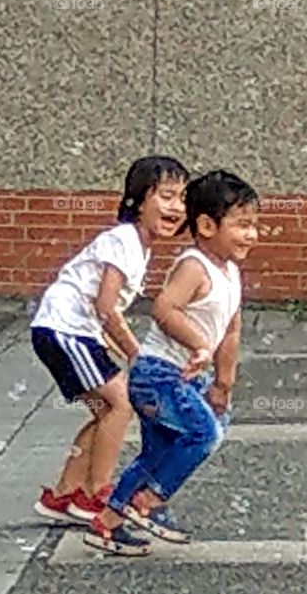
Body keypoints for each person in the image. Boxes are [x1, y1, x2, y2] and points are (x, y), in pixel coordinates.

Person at [85, 169, 258, 556]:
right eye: (242, 225)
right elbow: (164, 309)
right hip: (157, 374)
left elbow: (231, 331)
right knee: (204, 434)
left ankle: (108, 524)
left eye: (254, 226)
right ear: (207, 225)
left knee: (159, 451)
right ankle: (149, 501)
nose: (252, 235)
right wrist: (198, 345)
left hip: (181, 377)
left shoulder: (230, 272)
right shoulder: (194, 265)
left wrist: (223, 383)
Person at [29, 156, 188, 551]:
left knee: (105, 409)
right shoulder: (123, 240)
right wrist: (140, 357)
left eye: (182, 198)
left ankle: (65, 494)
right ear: (137, 200)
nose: (177, 207)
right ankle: (97, 493)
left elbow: (105, 317)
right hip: (64, 329)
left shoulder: (138, 247)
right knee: (121, 404)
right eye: (166, 196)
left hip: (67, 331)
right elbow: (106, 308)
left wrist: (129, 353)